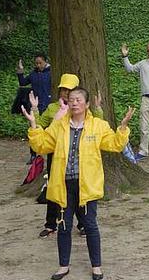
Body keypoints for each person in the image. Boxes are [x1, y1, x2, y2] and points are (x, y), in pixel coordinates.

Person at [23, 88, 134, 280]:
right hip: (63, 185)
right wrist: (33, 124)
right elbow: (42, 145)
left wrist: (123, 127)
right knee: (64, 226)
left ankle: (96, 266)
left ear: (87, 104)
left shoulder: (98, 126)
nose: (74, 103)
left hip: (87, 185)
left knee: (90, 225)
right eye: (71, 100)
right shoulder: (59, 125)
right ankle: (63, 266)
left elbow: (115, 144)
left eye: (78, 99)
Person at [32, 73, 101, 238]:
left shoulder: (82, 108)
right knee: (54, 188)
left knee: (78, 190)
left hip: (77, 156)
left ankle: (83, 224)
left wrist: (98, 109)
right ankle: (51, 224)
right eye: (63, 89)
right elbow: (39, 125)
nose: (65, 93)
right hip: (56, 154)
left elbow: (97, 126)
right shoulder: (52, 108)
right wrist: (34, 112)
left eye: (69, 90)